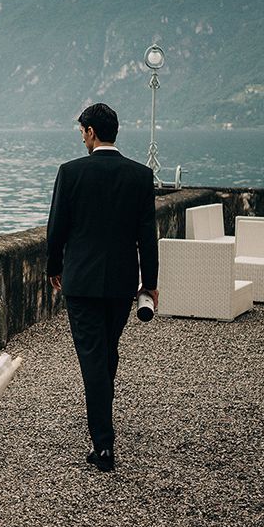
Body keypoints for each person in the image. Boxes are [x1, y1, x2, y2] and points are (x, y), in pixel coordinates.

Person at [46, 103, 158, 472]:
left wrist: (53, 268)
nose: (82, 137)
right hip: (122, 284)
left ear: (91, 132)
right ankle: (102, 410)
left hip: (81, 282)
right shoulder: (140, 176)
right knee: (107, 352)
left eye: (82, 131)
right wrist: (150, 283)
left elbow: (56, 228)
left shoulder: (71, 173)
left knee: (95, 357)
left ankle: (104, 445)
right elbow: (148, 237)